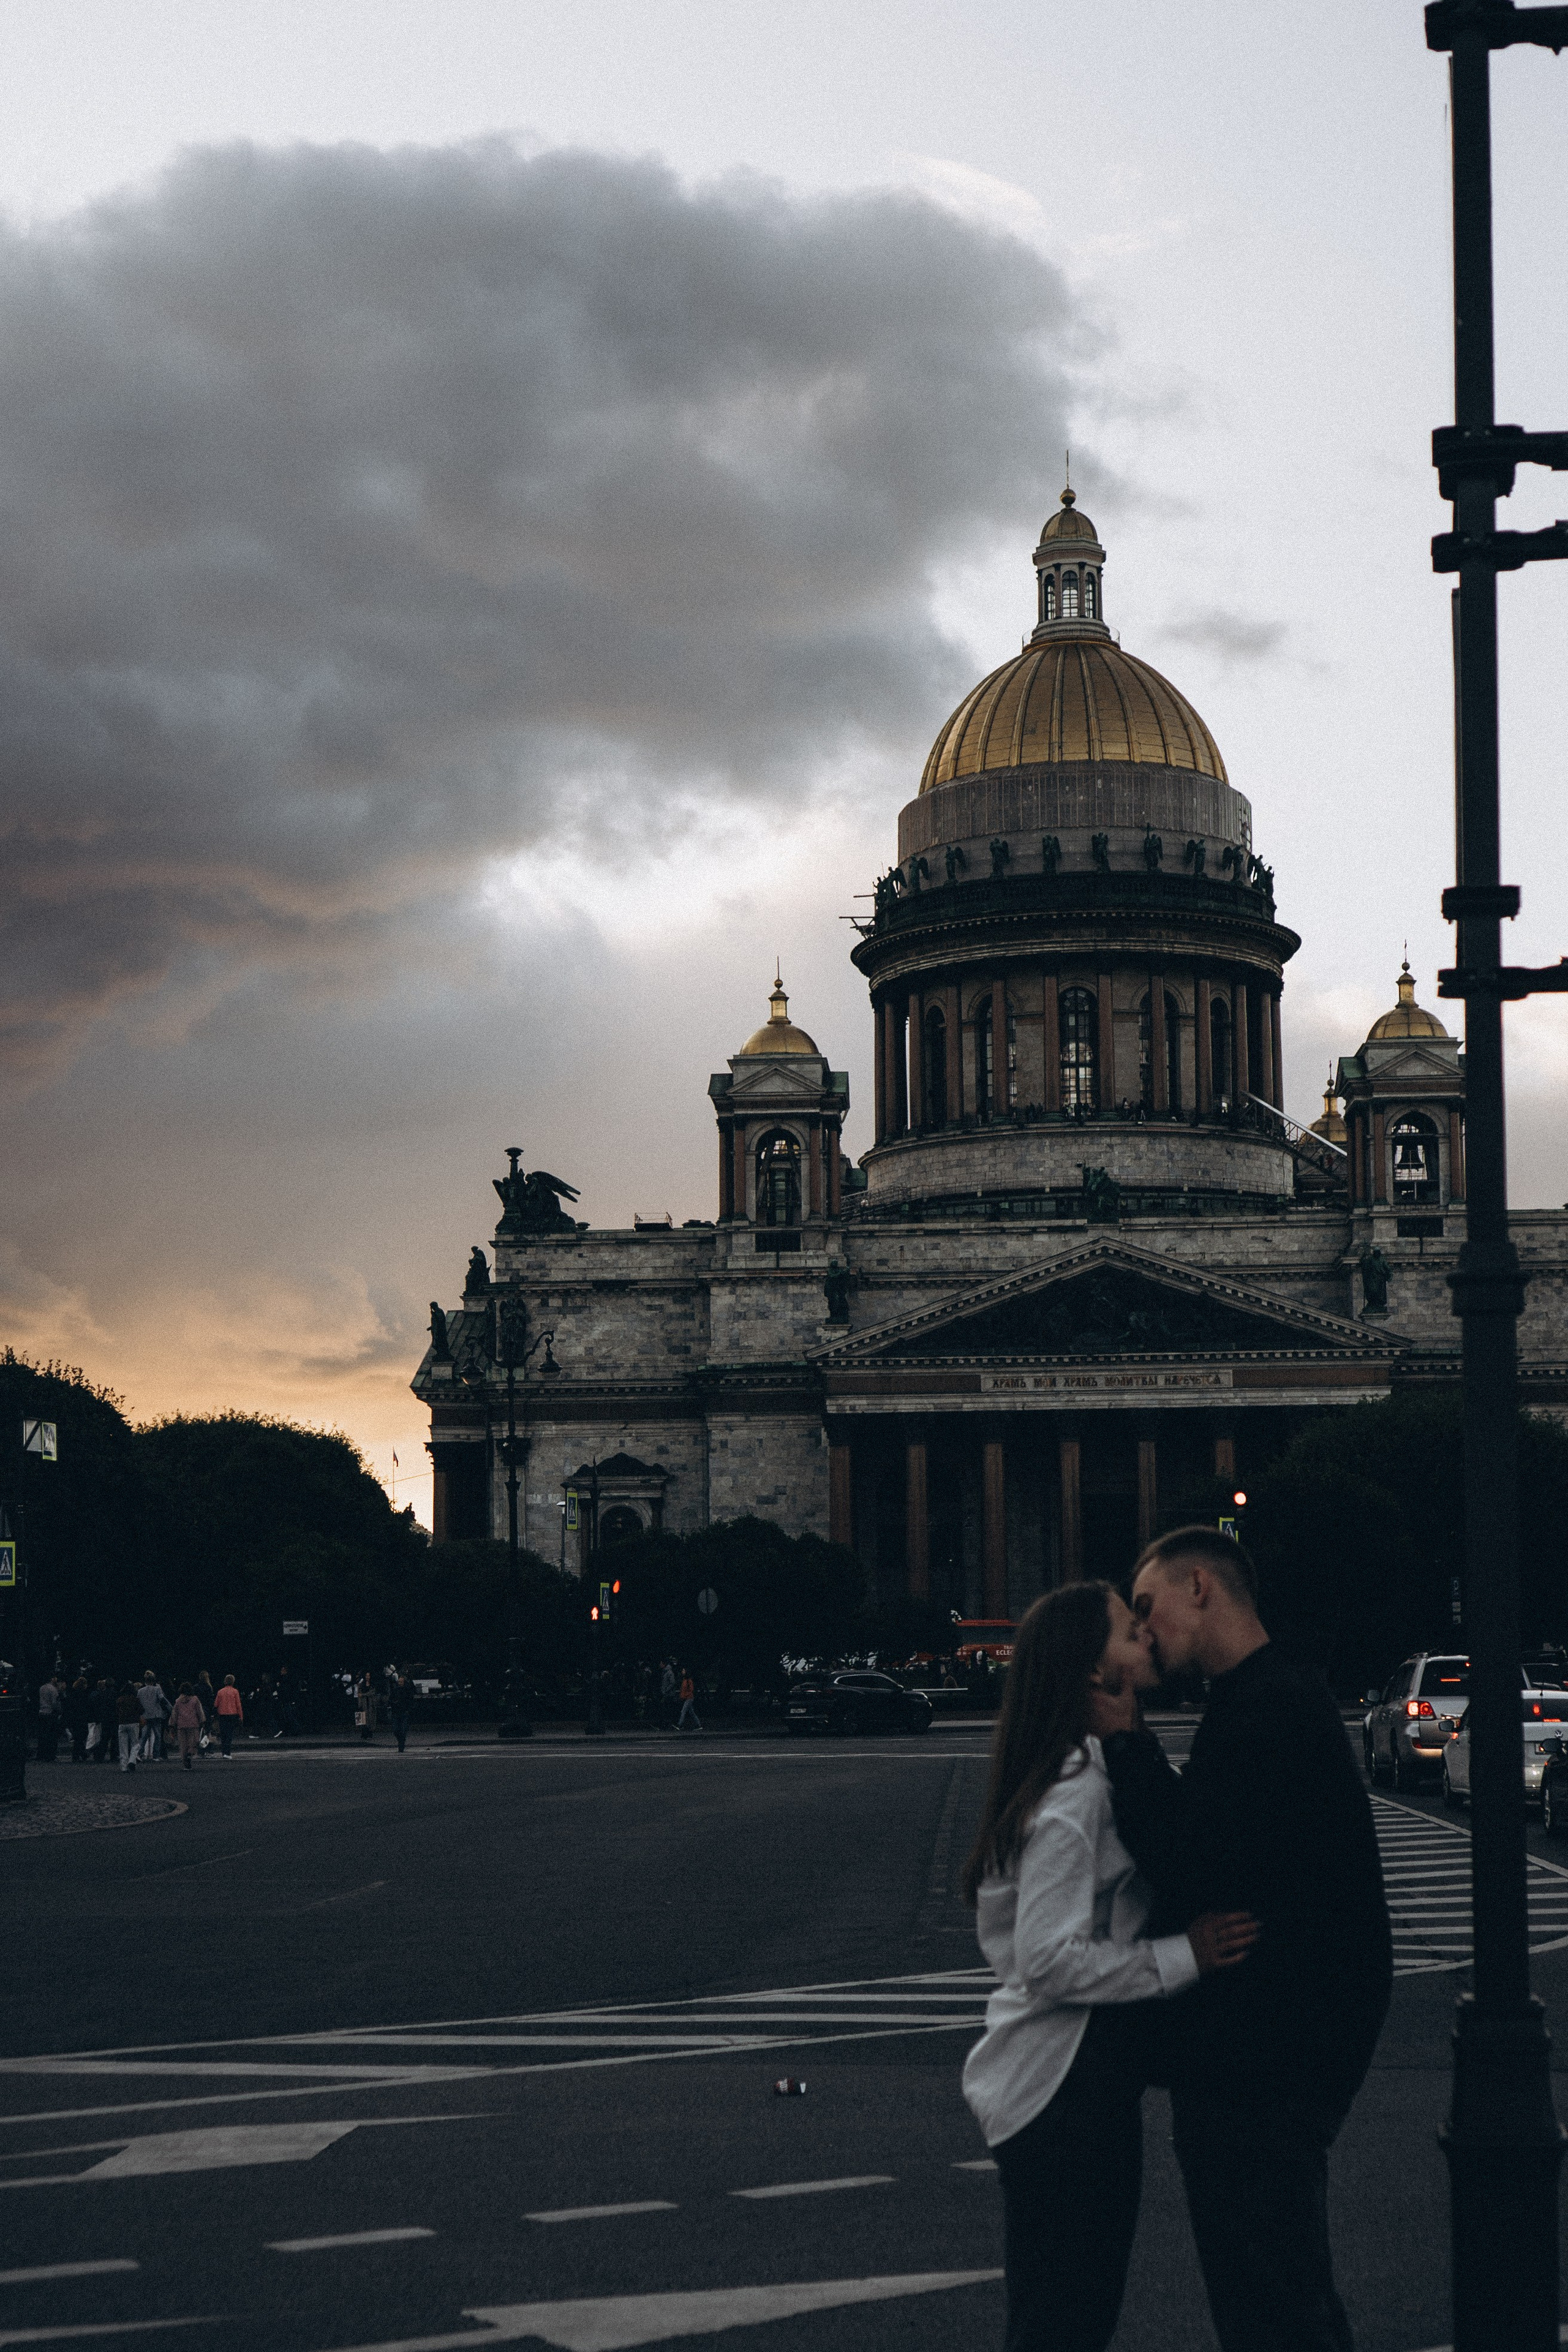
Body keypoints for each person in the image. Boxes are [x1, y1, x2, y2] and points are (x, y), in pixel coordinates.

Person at [1102, 1527, 1392, 2352]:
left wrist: (1125, 1740)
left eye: (1149, 1606)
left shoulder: (1269, 1709)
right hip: (1275, 2061)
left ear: (1201, 1587)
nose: (1145, 1630)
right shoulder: (1270, 1698)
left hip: (1262, 2070)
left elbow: (1187, 1856)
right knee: (1279, 2299)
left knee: (1272, 2309)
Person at [960, 1581, 1257, 2352]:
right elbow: (1048, 1959)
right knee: (1066, 2321)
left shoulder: (1075, 1770)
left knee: (1059, 2314)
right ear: (1094, 1673)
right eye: (1131, 1632)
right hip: (1063, 2084)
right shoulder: (1076, 1795)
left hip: (1060, 2080)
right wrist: (1180, 1957)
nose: (1147, 1640)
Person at [167, 1682, 206, 1770]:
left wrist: (172, 1724)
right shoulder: (195, 1699)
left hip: (181, 1725)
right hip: (193, 1724)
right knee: (194, 1742)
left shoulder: (178, 1701)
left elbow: (174, 1714)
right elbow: (199, 1711)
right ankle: (190, 1753)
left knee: (183, 1745)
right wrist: (203, 1721)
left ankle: (186, 1764)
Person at [136, 1672, 168, 1763]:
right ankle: (156, 1755)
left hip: (146, 1715)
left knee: (144, 1736)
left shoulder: (140, 1691)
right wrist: (170, 1709)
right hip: (156, 1715)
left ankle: (139, 1753)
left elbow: (138, 1703)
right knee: (158, 1736)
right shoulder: (157, 1689)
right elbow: (163, 1700)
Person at [213, 1675, 244, 1757]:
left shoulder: (220, 1692)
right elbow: (238, 1705)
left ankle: (224, 1752)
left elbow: (216, 1704)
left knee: (223, 1734)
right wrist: (241, 1716)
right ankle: (227, 1753)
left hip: (222, 1715)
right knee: (229, 1734)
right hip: (232, 1715)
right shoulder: (235, 1691)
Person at [116, 1683, 143, 1771]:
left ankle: (123, 1766)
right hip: (133, 1723)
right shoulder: (135, 1700)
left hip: (122, 1723)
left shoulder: (120, 1700)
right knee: (135, 1744)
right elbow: (142, 1710)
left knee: (123, 1746)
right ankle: (132, 1760)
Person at [64, 1675, 91, 1763]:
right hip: (82, 1718)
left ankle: (79, 1754)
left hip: (75, 1718)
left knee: (78, 1737)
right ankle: (80, 1754)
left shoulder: (73, 1694)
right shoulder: (84, 1695)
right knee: (81, 1737)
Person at [35, 1674, 62, 1763]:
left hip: (42, 1712)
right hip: (50, 1713)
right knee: (52, 1736)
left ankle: (41, 1754)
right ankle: (51, 1755)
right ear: (52, 1679)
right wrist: (59, 1711)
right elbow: (55, 1703)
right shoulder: (53, 1690)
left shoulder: (42, 1688)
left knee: (43, 1736)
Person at [390, 1671, 413, 1754]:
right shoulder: (395, 1690)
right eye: (399, 1682)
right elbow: (390, 1700)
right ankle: (401, 1742)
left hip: (404, 1712)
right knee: (396, 1730)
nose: (400, 1683)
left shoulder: (407, 1691)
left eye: (401, 1682)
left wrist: (408, 1710)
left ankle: (401, 1745)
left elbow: (410, 1701)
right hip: (396, 1712)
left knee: (403, 1730)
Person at [676, 1669, 703, 1735]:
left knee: (683, 1711)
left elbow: (690, 1690)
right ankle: (698, 1725)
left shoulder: (688, 1681)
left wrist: (684, 1696)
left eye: (684, 1671)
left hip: (689, 1698)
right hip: (688, 1698)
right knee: (691, 1712)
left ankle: (680, 1725)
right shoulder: (685, 1680)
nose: (682, 1672)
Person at [356, 1670, 376, 1742]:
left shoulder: (372, 1685)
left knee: (370, 1719)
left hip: (370, 1703)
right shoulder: (362, 1685)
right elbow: (359, 1694)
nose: (367, 1677)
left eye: (369, 1676)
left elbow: (372, 1693)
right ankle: (364, 1733)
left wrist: (364, 1695)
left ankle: (370, 1733)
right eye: (366, 1676)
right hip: (364, 1703)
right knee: (363, 1718)